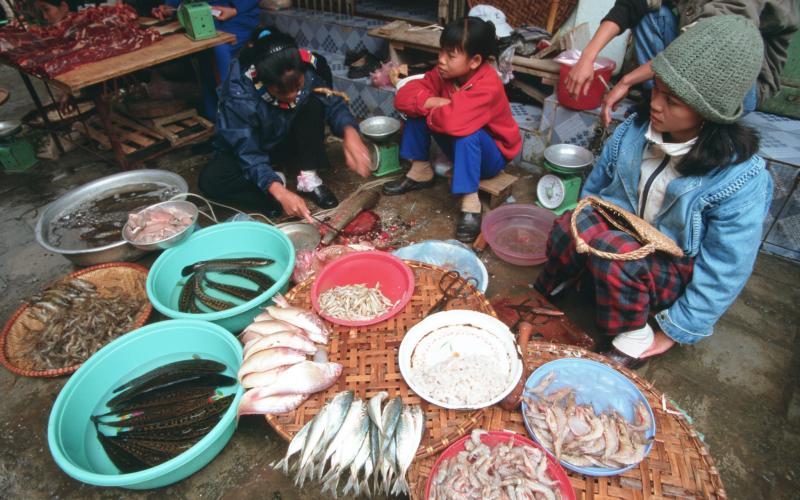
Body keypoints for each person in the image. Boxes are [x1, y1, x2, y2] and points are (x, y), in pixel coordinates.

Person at [535, 15, 773, 368]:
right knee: (567, 223)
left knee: (610, 251)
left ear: (709, 114)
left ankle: (635, 334)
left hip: (667, 267)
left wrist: (676, 330)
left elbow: (727, 266)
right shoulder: (634, 131)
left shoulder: (738, 178)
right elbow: (596, 190)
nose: (656, 105)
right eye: (656, 88)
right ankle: (556, 287)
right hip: (621, 241)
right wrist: (580, 228)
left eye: (673, 101)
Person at [199, 30, 371, 222]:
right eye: (281, 91)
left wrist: (350, 132)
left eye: (297, 86)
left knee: (314, 103)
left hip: (287, 137)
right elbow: (247, 151)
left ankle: (308, 178)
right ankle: (272, 185)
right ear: (264, 81)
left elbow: (332, 103)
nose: (292, 96)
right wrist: (279, 191)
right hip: (257, 144)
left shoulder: (308, 68)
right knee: (210, 181)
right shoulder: (240, 94)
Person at [384, 16, 521, 242]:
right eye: (441, 52)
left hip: (491, 157)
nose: (441, 60)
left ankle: (471, 203)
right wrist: (435, 102)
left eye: (450, 55)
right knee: (420, 107)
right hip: (460, 145)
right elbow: (404, 96)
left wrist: (431, 106)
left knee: (466, 132)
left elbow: (455, 124)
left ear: (475, 61)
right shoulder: (443, 74)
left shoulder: (488, 84)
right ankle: (420, 172)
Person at [564, 0, 798, 124]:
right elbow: (632, 4)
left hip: (742, 83)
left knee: (703, 48)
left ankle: (681, 114)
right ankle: (661, 103)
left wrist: (627, 80)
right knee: (653, 15)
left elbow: (707, 46)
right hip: (693, 50)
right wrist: (587, 57)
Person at [152, 0, 260, 119]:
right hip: (197, 15)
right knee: (205, 60)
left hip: (234, 17)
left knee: (219, 50)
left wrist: (235, 9)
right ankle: (214, 117)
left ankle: (232, 117)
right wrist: (170, 7)